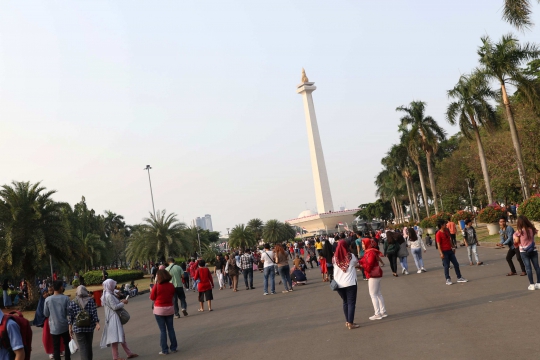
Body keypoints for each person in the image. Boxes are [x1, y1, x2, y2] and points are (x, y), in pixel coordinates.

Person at [100, 279, 138, 360]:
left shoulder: (108, 294)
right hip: (113, 318)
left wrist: (120, 301)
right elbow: (114, 307)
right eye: (113, 285)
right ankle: (116, 357)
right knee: (115, 338)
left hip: (113, 317)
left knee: (121, 336)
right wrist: (123, 303)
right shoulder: (109, 295)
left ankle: (128, 353)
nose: (114, 287)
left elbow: (114, 304)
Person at [332, 240, 359, 329]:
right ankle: (350, 323)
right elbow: (357, 264)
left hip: (339, 284)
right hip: (350, 283)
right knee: (351, 303)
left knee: (345, 302)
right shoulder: (351, 256)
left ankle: (348, 321)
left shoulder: (334, 258)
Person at [68, 285, 100, 360]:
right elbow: (94, 313)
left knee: (82, 347)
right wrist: (97, 323)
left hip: (78, 328)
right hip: (89, 327)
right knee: (89, 345)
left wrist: (70, 328)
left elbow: (71, 316)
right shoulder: (90, 300)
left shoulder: (73, 302)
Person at [150, 270, 178, 355]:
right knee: (171, 329)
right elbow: (172, 294)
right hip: (169, 308)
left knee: (163, 330)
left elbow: (152, 297)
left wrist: (151, 290)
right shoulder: (171, 285)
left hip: (159, 309)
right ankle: (173, 347)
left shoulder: (157, 286)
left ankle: (164, 349)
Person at [43, 281, 70, 360]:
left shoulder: (48, 300)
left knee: (56, 347)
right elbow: (69, 312)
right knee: (66, 344)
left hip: (54, 326)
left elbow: (46, 314)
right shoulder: (66, 298)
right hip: (64, 325)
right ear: (61, 287)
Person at [360, 238, 387, 320]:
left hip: (373, 275)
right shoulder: (370, 251)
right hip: (377, 274)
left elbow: (369, 265)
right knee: (378, 293)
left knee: (373, 294)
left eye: (363, 244)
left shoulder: (370, 252)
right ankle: (383, 311)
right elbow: (365, 261)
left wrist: (361, 266)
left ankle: (377, 313)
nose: (362, 246)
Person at [436, 220, 468, 285]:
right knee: (446, 266)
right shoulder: (438, 234)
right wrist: (441, 253)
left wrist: (453, 247)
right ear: (441, 225)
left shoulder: (447, 231)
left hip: (450, 251)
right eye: (445, 224)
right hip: (444, 252)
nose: (446, 225)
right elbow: (438, 245)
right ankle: (448, 279)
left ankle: (459, 277)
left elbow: (449, 240)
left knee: (456, 264)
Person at [513, 215, 540, 290]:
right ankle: (539, 283)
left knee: (528, 268)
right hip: (533, 249)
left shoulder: (519, 231)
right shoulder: (532, 229)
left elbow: (517, 241)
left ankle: (532, 284)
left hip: (524, 251)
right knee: (537, 267)